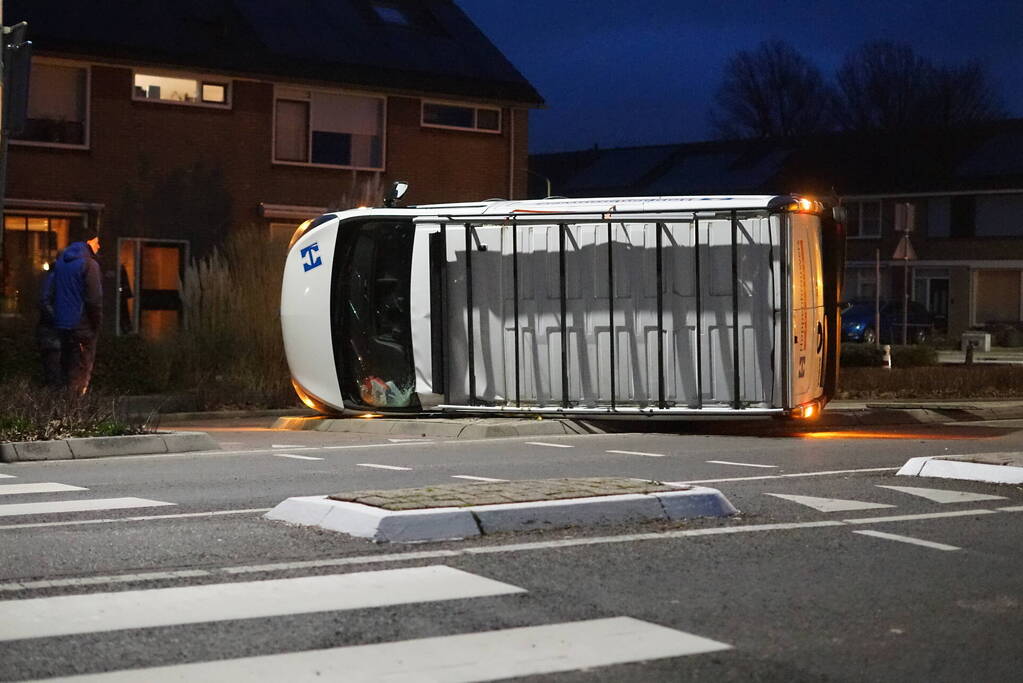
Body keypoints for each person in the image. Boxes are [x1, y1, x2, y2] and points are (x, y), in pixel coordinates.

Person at [52, 236, 103, 395]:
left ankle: (60, 411)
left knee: (66, 369)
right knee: (80, 372)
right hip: (82, 325)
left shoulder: (61, 263)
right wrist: (96, 324)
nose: (99, 246)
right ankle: (74, 412)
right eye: (96, 242)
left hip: (62, 324)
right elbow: (94, 299)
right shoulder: (89, 265)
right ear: (89, 242)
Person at [36, 257, 62, 388]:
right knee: (54, 372)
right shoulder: (55, 277)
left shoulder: (53, 276)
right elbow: (44, 301)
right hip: (52, 330)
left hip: (52, 329)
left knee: (54, 372)